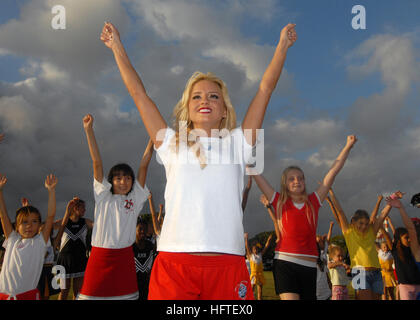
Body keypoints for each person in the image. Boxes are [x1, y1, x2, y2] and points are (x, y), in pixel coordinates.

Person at [100, 20, 297, 300]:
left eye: (214, 96)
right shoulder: (170, 142)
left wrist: (282, 46)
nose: (205, 99)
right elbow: (138, 94)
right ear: (187, 108)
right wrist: (116, 46)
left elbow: (264, 89)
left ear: (224, 110)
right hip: (174, 265)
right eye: (197, 96)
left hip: (228, 264)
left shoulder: (239, 143)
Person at [252, 135, 357, 300]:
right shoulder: (279, 200)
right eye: (291, 178)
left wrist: (348, 146)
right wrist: (246, 156)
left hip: (309, 266)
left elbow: (333, 171)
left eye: (300, 178)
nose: (297, 181)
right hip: (284, 263)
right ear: (285, 183)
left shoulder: (314, 201)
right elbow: (258, 177)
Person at [77, 114, 150, 300]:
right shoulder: (103, 196)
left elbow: (143, 167)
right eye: (118, 178)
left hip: (125, 257)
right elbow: (97, 162)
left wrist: (152, 142)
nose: (123, 181)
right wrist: (89, 131)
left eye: (127, 178)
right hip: (100, 256)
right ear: (111, 181)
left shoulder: (135, 198)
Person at [327, 188, 397, 300]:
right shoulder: (348, 232)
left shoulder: (371, 231)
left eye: (366, 223)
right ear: (353, 222)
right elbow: (339, 212)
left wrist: (393, 199)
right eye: (360, 223)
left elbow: (382, 216)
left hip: (376, 272)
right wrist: (331, 192)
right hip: (359, 272)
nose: (364, 226)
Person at [0, 173, 58, 300]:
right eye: (25, 222)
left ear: (39, 225)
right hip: (4, 295)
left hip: (27, 296)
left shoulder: (39, 242)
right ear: (17, 225)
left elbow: (50, 216)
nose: (29, 226)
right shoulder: (12, 240)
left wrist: (51, 191)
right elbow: (3, 215)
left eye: (34, 221)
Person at [54, 197, 93, 300]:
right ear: (75, 208)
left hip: (79, 259)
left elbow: (98, 226)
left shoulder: (85, 222)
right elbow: (48, 226)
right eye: (82, 208)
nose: (84, 210)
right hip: (64, 260)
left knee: (78, 292)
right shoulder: (64, 222)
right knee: (64, 292)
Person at [382, 196, 420, 300]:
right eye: (406, 237)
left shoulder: (414, 250)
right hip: (406, 286)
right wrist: (400, 208)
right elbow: (409, 229)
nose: (409, 239)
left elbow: (411, 229)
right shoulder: (399, 250)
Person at [245, 233, 273, 300]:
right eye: (254, 249)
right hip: (253, 275)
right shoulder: (250, 256)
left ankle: (259, 298)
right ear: (252, 250)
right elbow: (247, 247)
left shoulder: (260, 255)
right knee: (251, 290)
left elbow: (266, 247)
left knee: (260, 292)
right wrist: (246, 238)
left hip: (260, 275)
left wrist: (268, 240)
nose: (256, 250)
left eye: (257, 249)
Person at [133, 220, 156, 300]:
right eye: (140, 229)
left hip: (146, 288)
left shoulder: (150, 246)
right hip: (132, 289)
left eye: (145, 229)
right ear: (135, 230)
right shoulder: (130, 246)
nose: (143, 231)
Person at [316, 221, 334, 300]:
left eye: (322, 241)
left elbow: (328, 238)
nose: (321, 242)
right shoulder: (314, 255)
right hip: (318, 290)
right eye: (318, 241)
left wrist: (331, 227)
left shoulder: (323, 252)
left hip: (325, 289)